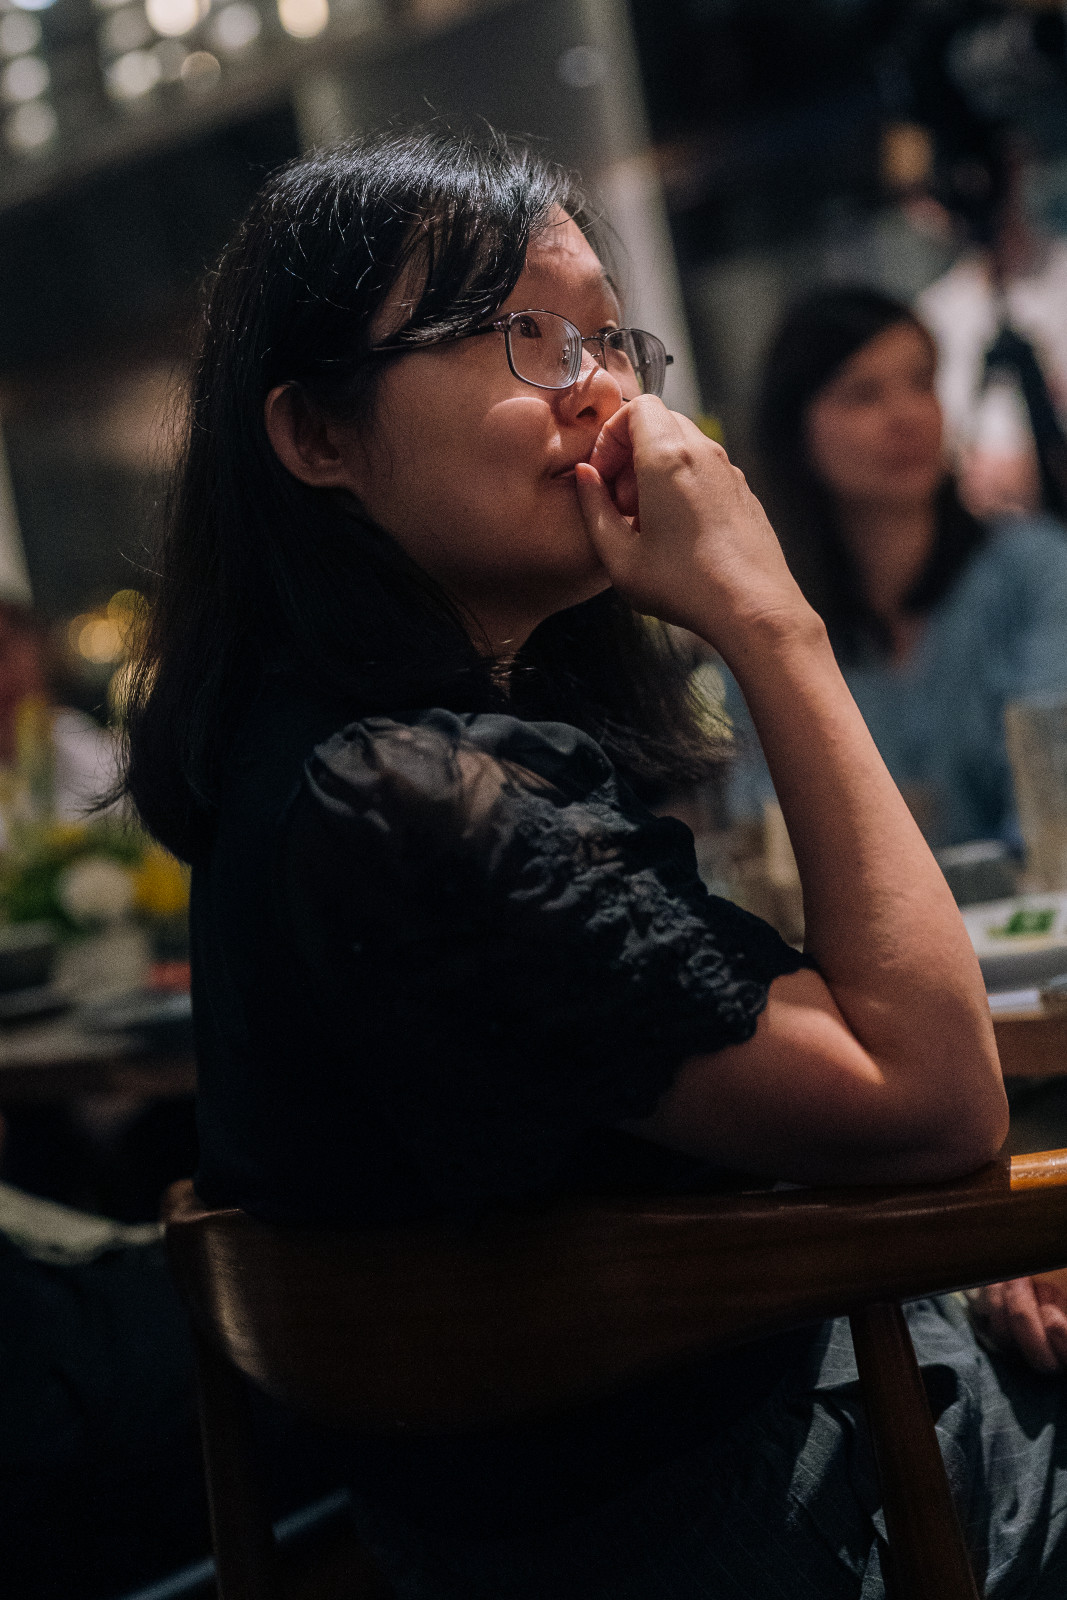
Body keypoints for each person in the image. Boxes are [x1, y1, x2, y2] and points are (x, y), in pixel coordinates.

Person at [122, 132, 1066, 1598]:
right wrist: (768, 620)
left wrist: (905, 1251)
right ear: (315, 434)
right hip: (785, 1525)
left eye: (610, 337)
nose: (606, 393)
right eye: (525, 336)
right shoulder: (410, 805)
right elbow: (938, 1101)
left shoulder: (341, 767)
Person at [737, 285, 1067, 851]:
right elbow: (774, 833)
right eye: (862, 394)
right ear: (798, 432)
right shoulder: (768, 623)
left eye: (922, 383)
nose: (907, 416)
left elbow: (1053, 799)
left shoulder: (1033, 569)